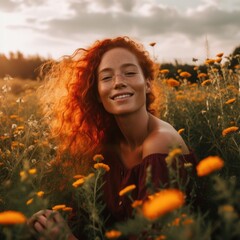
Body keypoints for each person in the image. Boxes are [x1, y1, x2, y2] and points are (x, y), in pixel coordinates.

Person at [27, 36, 196, 239]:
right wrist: (50, 223)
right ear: (97, 94)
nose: (118, 83)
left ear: (148, 83)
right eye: (107, 77)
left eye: (130, 73)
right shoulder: (106, 147)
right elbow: (89, 215)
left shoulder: (160, 143)